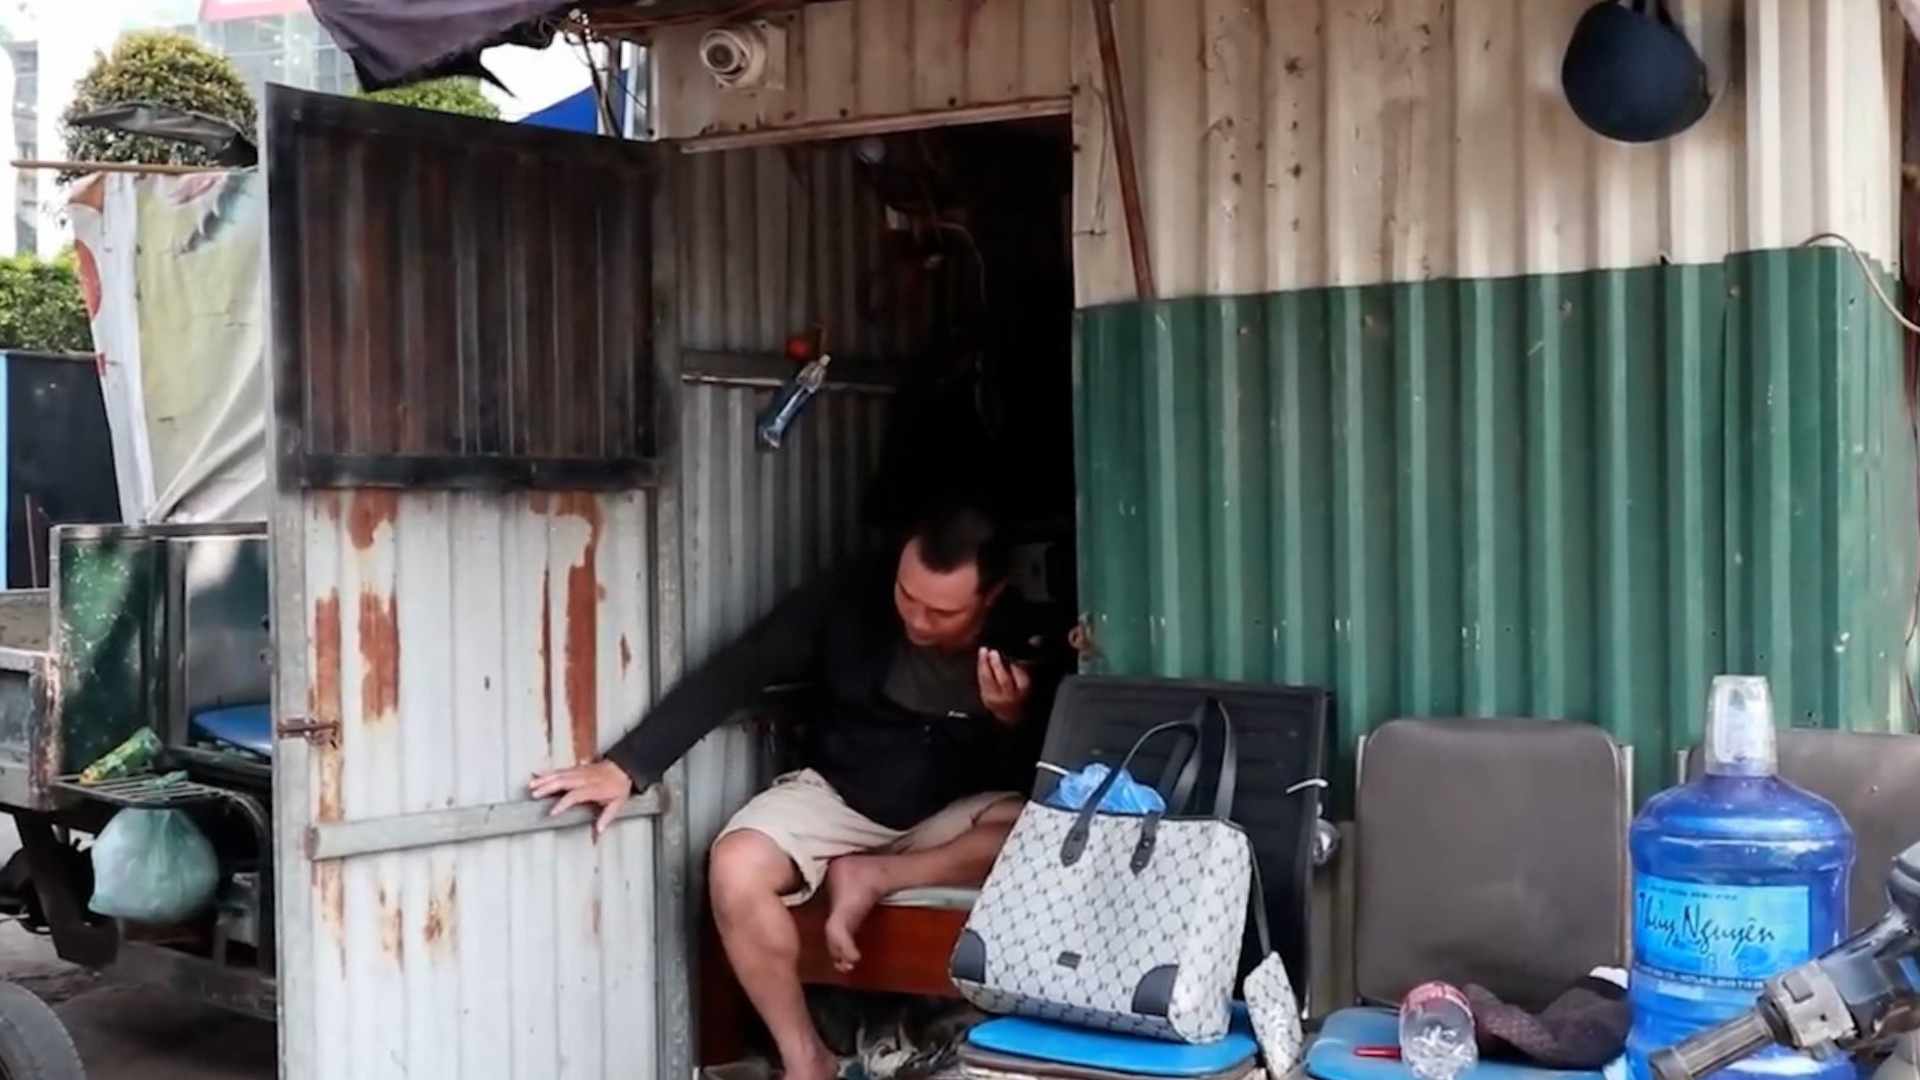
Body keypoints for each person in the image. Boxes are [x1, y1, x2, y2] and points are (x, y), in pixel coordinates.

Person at [530, 497, 1063, 1080]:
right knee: (734, 866)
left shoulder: (1026, 633)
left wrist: (1016, 718)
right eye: (907, 596)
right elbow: (744, 664)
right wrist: (629, 766)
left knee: (1043, 827)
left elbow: (1062, 766)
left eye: (941, 613)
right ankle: (805, 1056)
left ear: (990, 597)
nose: (916, 619)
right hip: (842, 795)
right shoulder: (853, 592)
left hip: (952, 818)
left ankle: (874, 875)